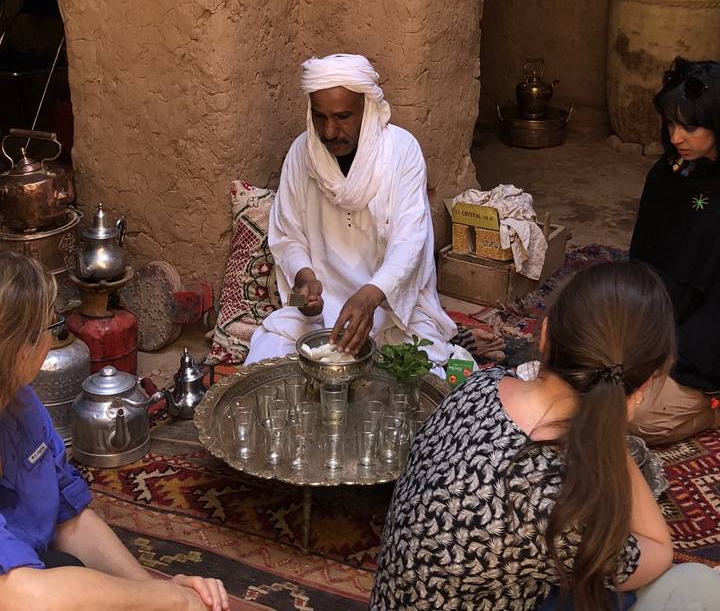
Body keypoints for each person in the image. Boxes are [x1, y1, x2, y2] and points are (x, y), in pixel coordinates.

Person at [370, 261, 720, 611]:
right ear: (644, 387)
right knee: (694, 586)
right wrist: (615, 427)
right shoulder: (563, 498)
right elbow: (657, 550)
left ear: (546, 334)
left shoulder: (478, 386)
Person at [0, 251, 229, 611]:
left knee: (79, 580)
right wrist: (166, 598)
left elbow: (68, 518)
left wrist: (155, 590)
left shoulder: (22, 406)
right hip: (21, 593)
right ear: (16, 347)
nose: (51, 342)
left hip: (29, 577)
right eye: (50, 327)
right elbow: (21, 596)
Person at [245, 53, 460, 367]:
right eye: (320, 117)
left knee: (415, 370)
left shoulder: (402, 151)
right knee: (265, 360)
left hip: (390, 307)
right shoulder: (300, 154)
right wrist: (306, 280)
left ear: (368, 109)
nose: (330, 131)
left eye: (342, 117)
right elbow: (288, 236)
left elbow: (409, 244)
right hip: (322, 312)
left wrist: (369, 297)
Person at [630, 57, 720, 444]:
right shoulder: (668, 173)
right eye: (671, 124)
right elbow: (645, 256)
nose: (677, 137)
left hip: (705, 338)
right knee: (577, 371)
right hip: (660, 316)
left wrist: (669, 352)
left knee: (639, 419)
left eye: (690, 126)